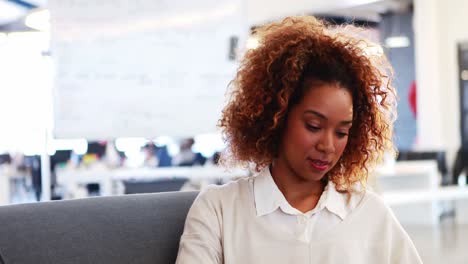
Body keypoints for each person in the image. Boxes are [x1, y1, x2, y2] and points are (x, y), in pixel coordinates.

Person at [176, 16, 422, 263]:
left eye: (341, 132)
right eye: (313, 126)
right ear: (277, 116)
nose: (327, 146)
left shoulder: (368, 213)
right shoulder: (219, 209)